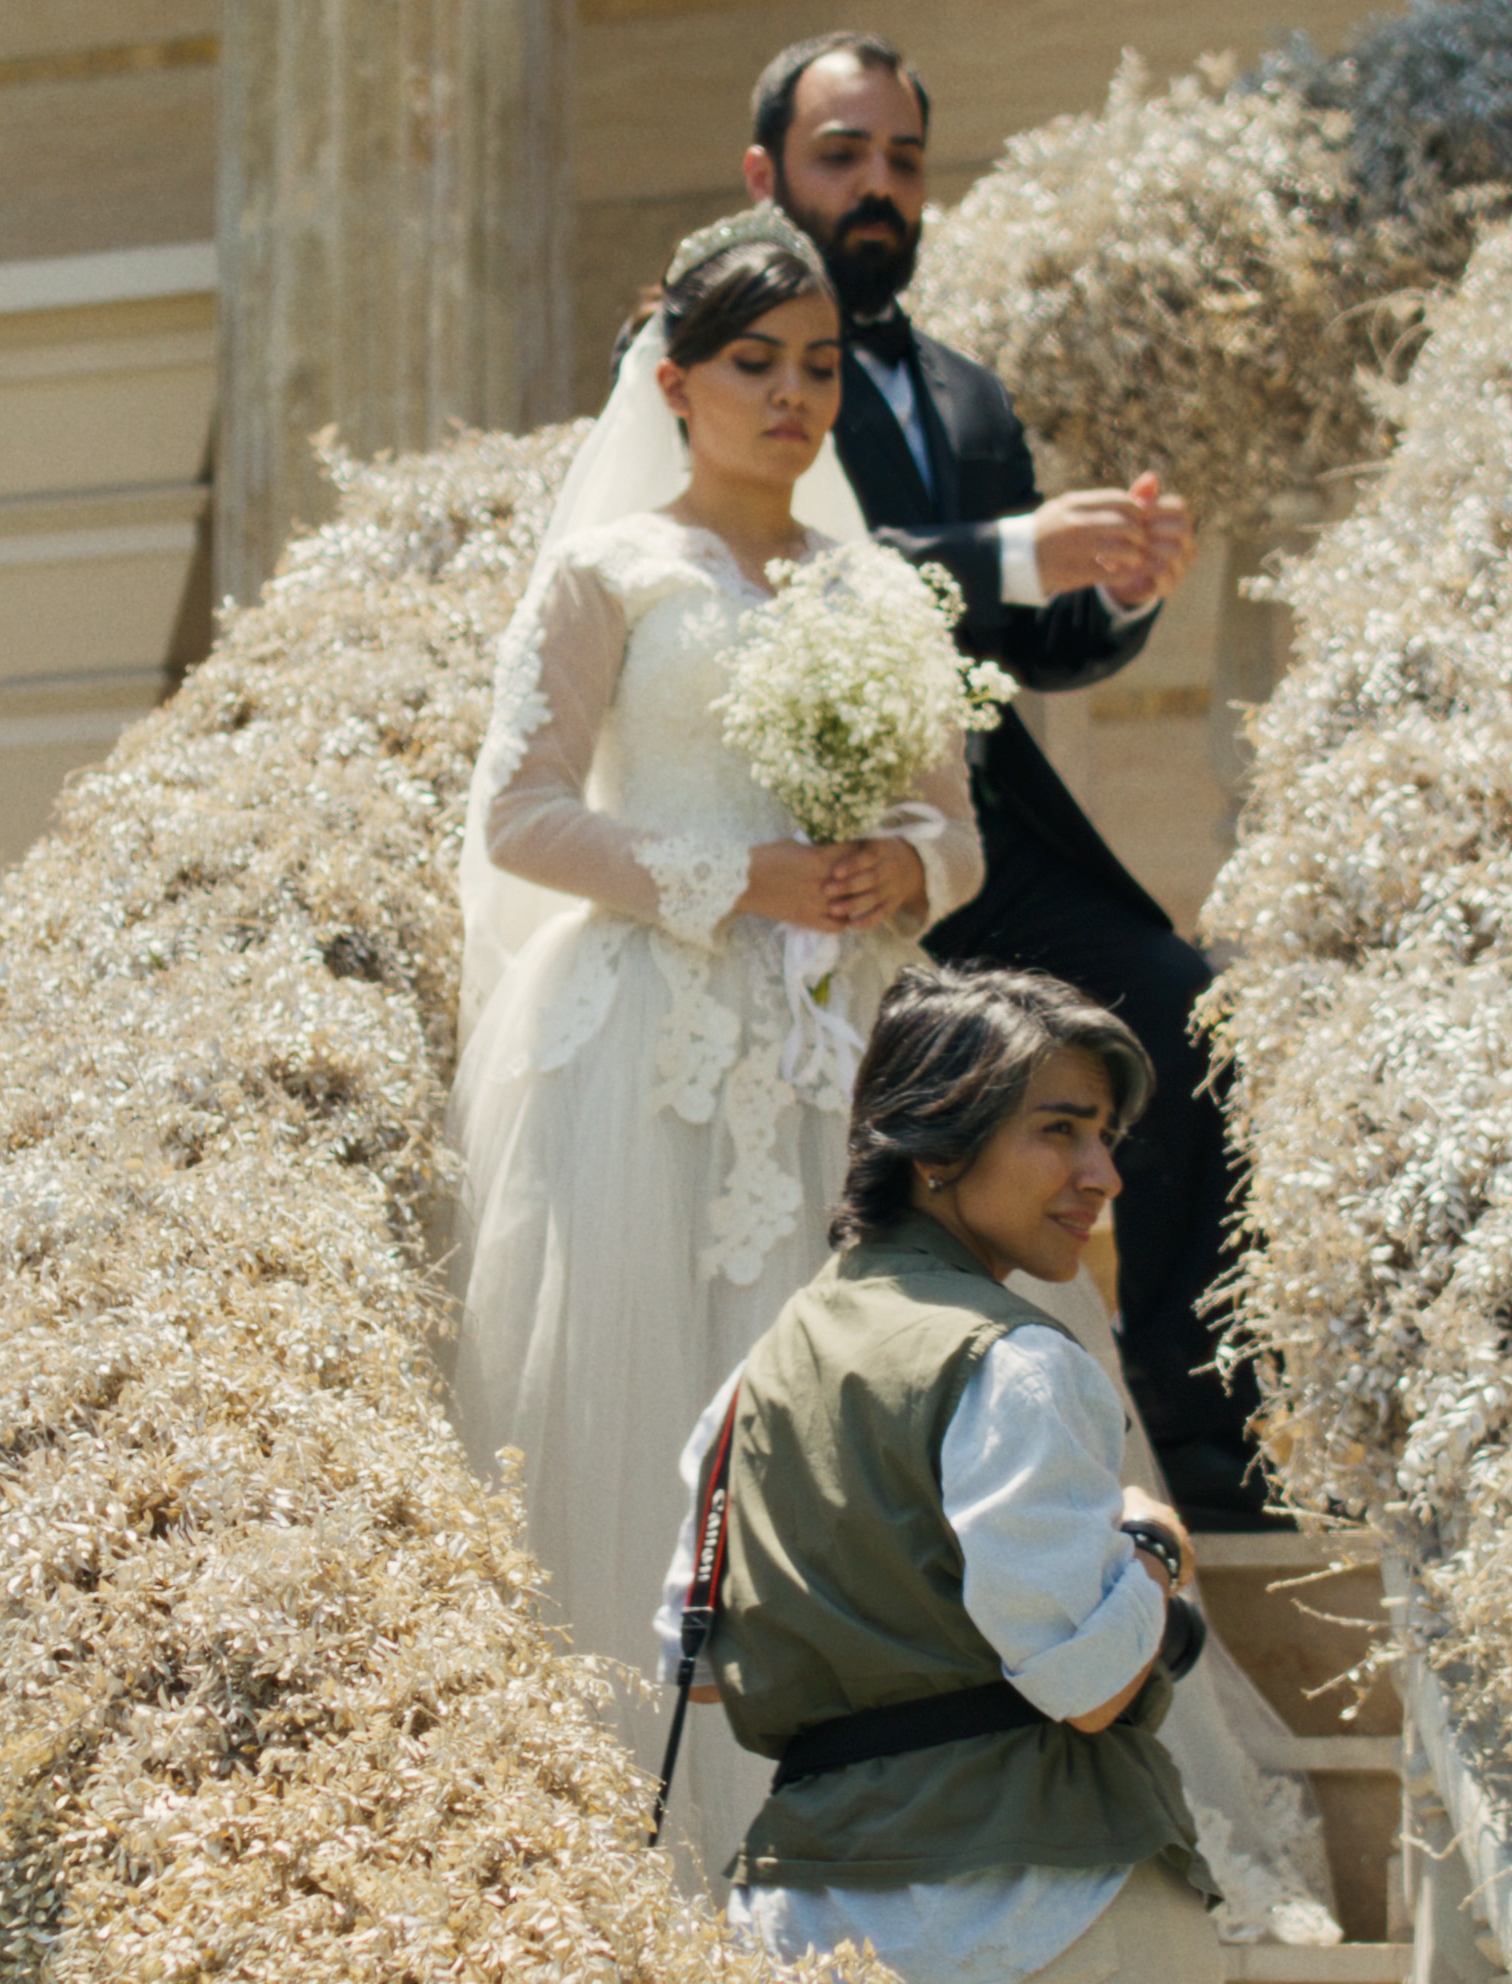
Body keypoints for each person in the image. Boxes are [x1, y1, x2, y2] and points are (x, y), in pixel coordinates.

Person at [446, 210, 985, 1864]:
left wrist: (897, 868)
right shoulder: (609, 571)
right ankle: (631, 1832)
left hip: (839, 1045)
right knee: (641, 1401)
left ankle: (882, 1811)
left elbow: (958, 833)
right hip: (644, 1047)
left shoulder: (880, 590)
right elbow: (521, 818)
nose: (790, 395)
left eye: (818, 365)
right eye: (753, 362)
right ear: (673, 380)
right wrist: (734, 875)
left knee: (854, 1392)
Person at [739, 32, 1283, 1530]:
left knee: (1180, 1007)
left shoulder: (964, 396)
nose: (875, 186)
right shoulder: (717, 357)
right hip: (784, 825)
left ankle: (1202, 1434)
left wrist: (1111, 588)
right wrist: (1006, 553)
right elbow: (773, 554)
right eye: (841, 156)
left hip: (977, 832)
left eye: (900, 160)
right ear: (765, 174)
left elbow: (1032, 641)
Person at [654, 964, 1221, 1984]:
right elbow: (1088, 1686)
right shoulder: (1014, 1362)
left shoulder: (753, 1382)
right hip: (1048, 1908)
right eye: (1060, 1130)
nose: (1102, 1174)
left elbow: (694, 1666)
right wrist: (1151, 1547)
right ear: (934, 1146)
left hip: (806, 1924)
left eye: (1103, 1137)